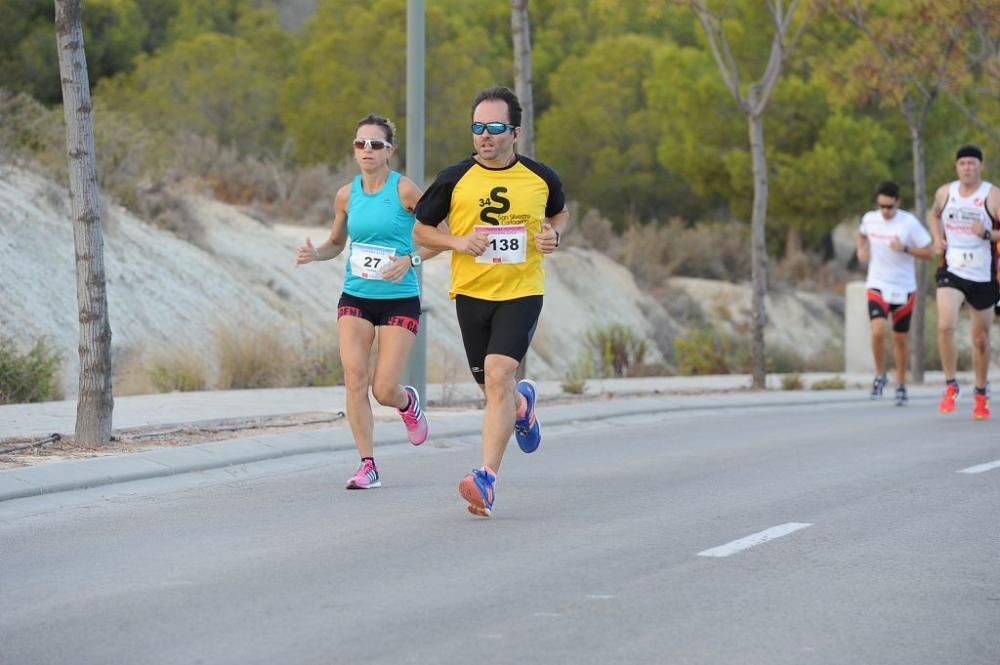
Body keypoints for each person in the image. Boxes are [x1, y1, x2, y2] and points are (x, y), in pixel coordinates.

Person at [413, 86, 569, 517]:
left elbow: (560, 212)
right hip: (471, 294)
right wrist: (457, 241)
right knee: (493, 390)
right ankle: (523, 407)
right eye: (478, 127)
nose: (485, 136)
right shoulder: (453, 178)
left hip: (521, 290)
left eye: (495, 127)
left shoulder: (541, 177)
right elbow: (421, 231)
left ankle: (486, 479)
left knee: (501, 373)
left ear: (514, 132)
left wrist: (554, 234)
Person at [295, 113, 436, 488]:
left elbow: (441, 237)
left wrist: (411, 259)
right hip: (356, 294)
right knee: (355, 378)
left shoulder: (405, 190)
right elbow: (338, 243)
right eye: (361, 144)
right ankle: (367, 464)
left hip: (399, 299)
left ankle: (407, 404)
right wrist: (316, 254)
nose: (367, 150)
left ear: (389, 150)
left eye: (375, 144)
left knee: (383, 389)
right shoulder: (346, 194)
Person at [929, 144, 1000, 420]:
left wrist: (986, 234)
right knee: (945, 325)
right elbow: (935, 215)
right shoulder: (945, 193)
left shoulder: (992, 196)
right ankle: (951, 385)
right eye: (962, 164)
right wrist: (937, 238)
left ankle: (980, 394)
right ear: (956, 167)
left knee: (980, 340)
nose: (967, 167)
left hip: (982, 274)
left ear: (980, 166)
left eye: (972, 163)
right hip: (952, 268)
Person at [856, 181, 933, 406]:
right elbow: (862, 235)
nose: (885, 211)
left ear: (897, 203)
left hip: (904, 288)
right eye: (881, 206)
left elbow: (929, 252)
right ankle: (880, 375)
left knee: (900, 339)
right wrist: (862, 249)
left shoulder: (909, 223)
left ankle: (900, 384)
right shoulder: (870, 218)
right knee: (878, 331)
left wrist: (906, 249)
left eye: (889, 206)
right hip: (878, 283)